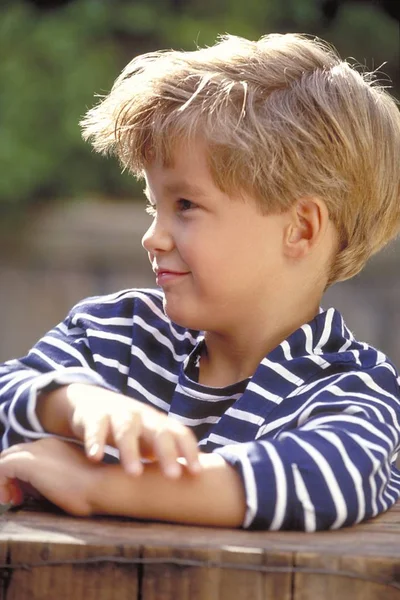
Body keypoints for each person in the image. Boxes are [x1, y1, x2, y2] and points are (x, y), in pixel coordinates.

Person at [0, 33, 400, 531]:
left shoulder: (351, 386)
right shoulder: (118, 334)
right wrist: (79, 405)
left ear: (301, 228)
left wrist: (99, 486)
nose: (152, 236)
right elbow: (9, 390)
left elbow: (328, 479)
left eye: (185, 205)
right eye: (154, 205)